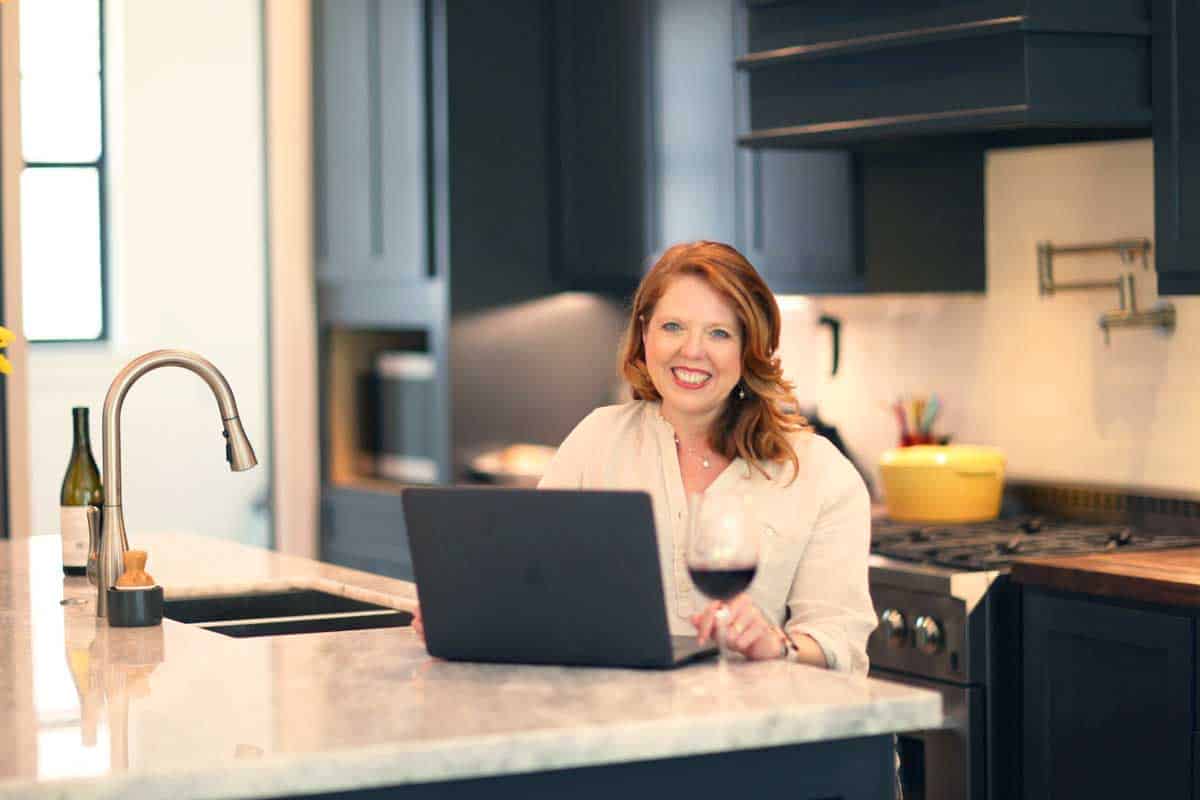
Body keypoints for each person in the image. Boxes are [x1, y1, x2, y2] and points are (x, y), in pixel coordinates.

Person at [413, 241, 875, 673]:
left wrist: (775, 646)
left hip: (755, 736)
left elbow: (841, 642)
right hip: (620, 727)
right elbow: (532, 589)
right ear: (644, 334)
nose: (691, 351)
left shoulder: (819, 472)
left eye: (719, 333)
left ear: (750, 349)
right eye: (672, 326)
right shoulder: (597, 439)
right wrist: (469, 615)